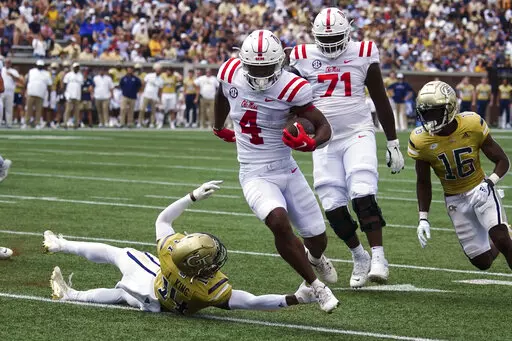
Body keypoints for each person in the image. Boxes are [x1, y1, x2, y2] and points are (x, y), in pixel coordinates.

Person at [45, 181, 317, 314]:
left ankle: (63, 250)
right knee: (121, 293)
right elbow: (253, 302)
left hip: (151, 287)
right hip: (159, 301)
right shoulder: (210, 290)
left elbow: (163, 219)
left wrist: (191, 196)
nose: (214, 261)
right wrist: (293, 298)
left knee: (117, 257)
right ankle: (71, 288)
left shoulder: (169, 253)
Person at [214, 29, 338, 313]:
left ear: (279, 62)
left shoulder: (291, 87)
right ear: (243, 62)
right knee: (278, 221)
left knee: (317, 237)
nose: (260, 74)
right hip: (253, 172)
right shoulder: (229, 72)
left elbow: (323, 127)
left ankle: (315, 258)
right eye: (255, 68)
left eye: (266, 67)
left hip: (286, 168)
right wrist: (219, 124)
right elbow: (220, 93)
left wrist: (310, 143)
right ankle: (316, 286)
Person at [289, 8, 404, 288]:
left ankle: (379, 256)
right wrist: (295, 127)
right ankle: (359, 255)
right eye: (324, 39)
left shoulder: (363, 51)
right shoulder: (302, 56)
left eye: (336, 38)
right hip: (323, 138)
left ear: (349, 32)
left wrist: (392, 141)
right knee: (332, 204)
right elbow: (290, 101)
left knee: (362, 191)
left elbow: (380, 97)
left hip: (357, 132)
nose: (330, 45)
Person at [408, 80, 512, 271]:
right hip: (455, 199)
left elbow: (502, 161)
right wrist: (423, 218)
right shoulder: (420, 140)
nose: (429, 117)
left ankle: (505, 232)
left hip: (481, 188)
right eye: (425, 112)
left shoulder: (471, 124)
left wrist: (490, 182)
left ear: (450, 107)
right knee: (482, 262)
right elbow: (423, 181)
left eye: (434, 111)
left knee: (502, 239)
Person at [24, 59, 52, 129]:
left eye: (41, 66)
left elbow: (49, 85)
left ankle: (37, 123)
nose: (40, 67)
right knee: (28, 109)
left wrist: (49, 95)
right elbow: (27, 81)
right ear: (36, 65)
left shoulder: (46, 73)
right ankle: (26, 123)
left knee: (38, 110)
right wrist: (25, 90)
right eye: (39, 65)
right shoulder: (31, 71)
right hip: (31, 92)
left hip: (41, 93)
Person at [138, 63, 163, 128]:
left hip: (154, 96)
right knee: (142, 109)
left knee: (153, 110)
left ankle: (152, 123)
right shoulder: (149, 75)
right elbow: (143, 83)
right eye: (158, 69)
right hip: (146, 95)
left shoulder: (161, 80)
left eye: (160, 69)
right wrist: (141, 91)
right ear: (155, 69)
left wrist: (159, 99)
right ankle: (139, 122)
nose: (159, 70)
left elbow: (160, 91)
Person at [0, 58, 22, 128]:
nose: (7, 63)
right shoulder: (2, 69)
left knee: (9, 108)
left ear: (11, 63)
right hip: (1, 92)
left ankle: (9, 123)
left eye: (9, 62)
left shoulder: (13, 71)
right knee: (0, 107)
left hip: (10, 91)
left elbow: (19, 80)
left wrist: (11, 75)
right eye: (6, 62)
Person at [62, 62, 84, 129]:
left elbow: (81, 86)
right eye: (75, 67)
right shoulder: (68, 75)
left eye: (78, 67)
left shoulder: (80, 75)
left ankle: (76, 124)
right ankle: (65, 123)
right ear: (73, 68)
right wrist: (65, 93)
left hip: (77, 95)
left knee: (76, 111)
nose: (77, 68)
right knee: (68, 110)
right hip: (70, 94)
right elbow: (65, 84)